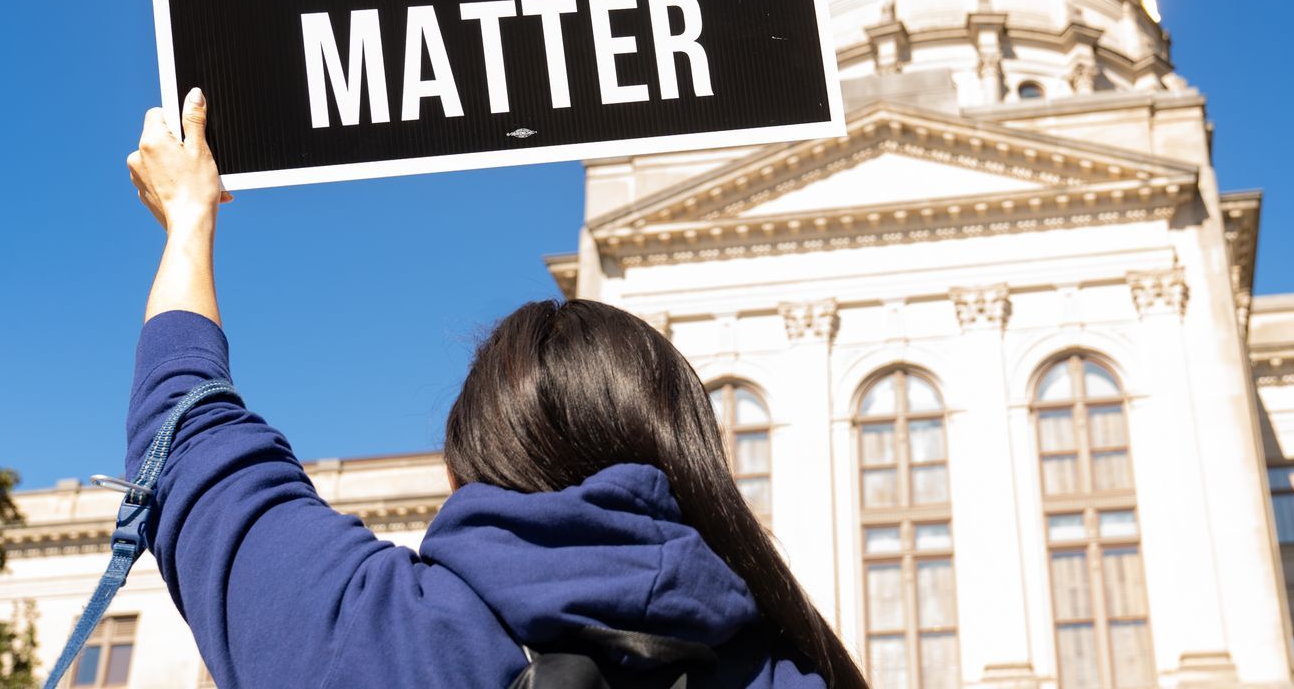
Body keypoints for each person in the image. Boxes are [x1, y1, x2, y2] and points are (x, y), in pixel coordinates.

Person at [123, 89, 864, 689]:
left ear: (466, 474)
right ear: (693, 450)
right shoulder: (791, 673)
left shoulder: (386, 644)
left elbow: (183, 437)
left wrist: (188, 221)